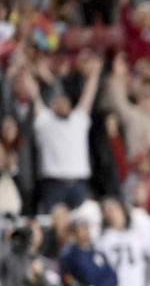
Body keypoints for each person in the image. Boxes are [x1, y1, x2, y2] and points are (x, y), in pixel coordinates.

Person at [26, 56, 102, 213]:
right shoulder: (44, 121)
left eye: (65, 102)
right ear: (51, 106)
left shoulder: (78, 119)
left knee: (80, 224)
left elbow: (89, 94)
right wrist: (26, 69)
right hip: (53, 185)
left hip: (79, 184)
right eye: (57, 102)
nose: (62, 105)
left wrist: (95, 73)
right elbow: (34, 94)